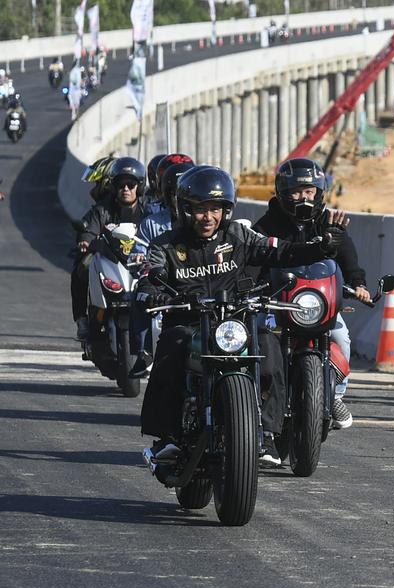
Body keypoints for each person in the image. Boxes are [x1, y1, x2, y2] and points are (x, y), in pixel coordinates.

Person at [138, 166, 347, 466]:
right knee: (173, 344)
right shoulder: (166, 246)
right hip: (190, 323)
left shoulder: (239, 236)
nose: (208, 217)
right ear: (184, 210)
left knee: (269, 342)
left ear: (226, 210)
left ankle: (268, 434)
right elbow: (147, 282)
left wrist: (323, 247)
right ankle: (167, 437)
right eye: (199, 210)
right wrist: (164, 296)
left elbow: (283, 252)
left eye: (215, 209)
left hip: (235, 323)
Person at [252, 157, 364, 430]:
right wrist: (253, 288)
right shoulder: (267, 225)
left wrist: (357, 284)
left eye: (309, 192)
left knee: (342, 337)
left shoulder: (329, 222)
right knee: (258, 341)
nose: (303, 197)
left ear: (318, 192)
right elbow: (252, 261)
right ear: (282, 192)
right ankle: (252, 398)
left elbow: (348, 258)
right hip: (276, 304)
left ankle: (335, 394)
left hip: (317, 303)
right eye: (296, 191)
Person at [128, 160, 196, 378]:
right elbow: (136, 255)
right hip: (163, 281)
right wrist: (141, 261)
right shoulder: (151, 223)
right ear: (167, 195)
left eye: (187, 194)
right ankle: (144, 350)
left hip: (200, 280)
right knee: (139, 295)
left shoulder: (205, 222)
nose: (181, 200)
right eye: (175, 194)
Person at [71, 157, 147, 341]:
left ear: (140, 186)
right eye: (121, 185)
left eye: (131, 184)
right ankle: (82, 319)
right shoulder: (103, 209)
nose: (126, 189)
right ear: (114, 186)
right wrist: (85, 240)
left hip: (141, 259)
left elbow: (159, 229)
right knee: (80, 270)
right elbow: (90, 227)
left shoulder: (149, 209)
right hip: (109, 257)